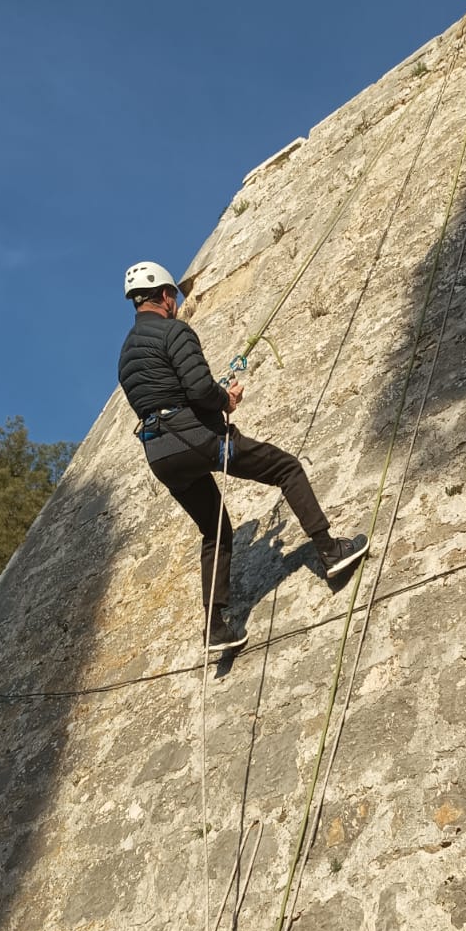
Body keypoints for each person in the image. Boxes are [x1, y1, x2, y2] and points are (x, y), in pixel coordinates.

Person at [117, 262, 368, 655]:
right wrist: (226, 398)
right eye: (175, 299)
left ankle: (215, 628)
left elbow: (161, 396)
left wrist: (207, 399)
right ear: (166, 296)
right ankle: (330, 550)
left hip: (160, 456)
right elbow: (200, 390)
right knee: (286, 467)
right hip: (197, 439)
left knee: (214, 531)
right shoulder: (173, 331)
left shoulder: (125, 355)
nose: (177, 305)